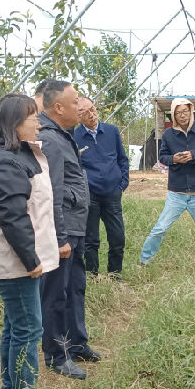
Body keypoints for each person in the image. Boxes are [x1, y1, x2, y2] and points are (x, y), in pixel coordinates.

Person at [0, 93, 61, 389]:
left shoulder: (18, 155)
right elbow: (12, 217)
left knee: (16, 326)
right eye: (33, 118)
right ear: (16, 123)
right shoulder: (6, 160)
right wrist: (31, 260)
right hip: (15, 263)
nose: (39, 122)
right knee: (28, 329)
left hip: (17, 261)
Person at [37, 79, 100, 379]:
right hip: (63, 230)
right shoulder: (50, 139)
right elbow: (51, 192)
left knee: (75, 287)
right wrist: (59, 237)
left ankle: (76, 343)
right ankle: (57, 354)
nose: (81, 106)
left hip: (75, 226)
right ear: (59, 107)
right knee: (56, 293)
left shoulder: (63, 135)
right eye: (75, 102)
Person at [140, 98, 195, 264]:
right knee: (160, 228)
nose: (182, 115)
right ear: (173, 115)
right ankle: (145, 259)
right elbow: (162, 157)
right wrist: (174, 159)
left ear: (191, 111)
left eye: (185, 111)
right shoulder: (169, 134)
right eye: (178, 113)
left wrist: (194, 155)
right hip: (176, 193)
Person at [75, 96, 129, 277]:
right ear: (77, 115)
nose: (92, 115)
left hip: (112, 193)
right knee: (91, 239)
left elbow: (122, 159)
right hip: (90, 195)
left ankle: (115, 274)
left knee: (117, 237)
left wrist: (122, 183)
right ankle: (93, 275)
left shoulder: (111, 131)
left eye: (93, 109)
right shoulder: (74, 136)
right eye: (85, 112)